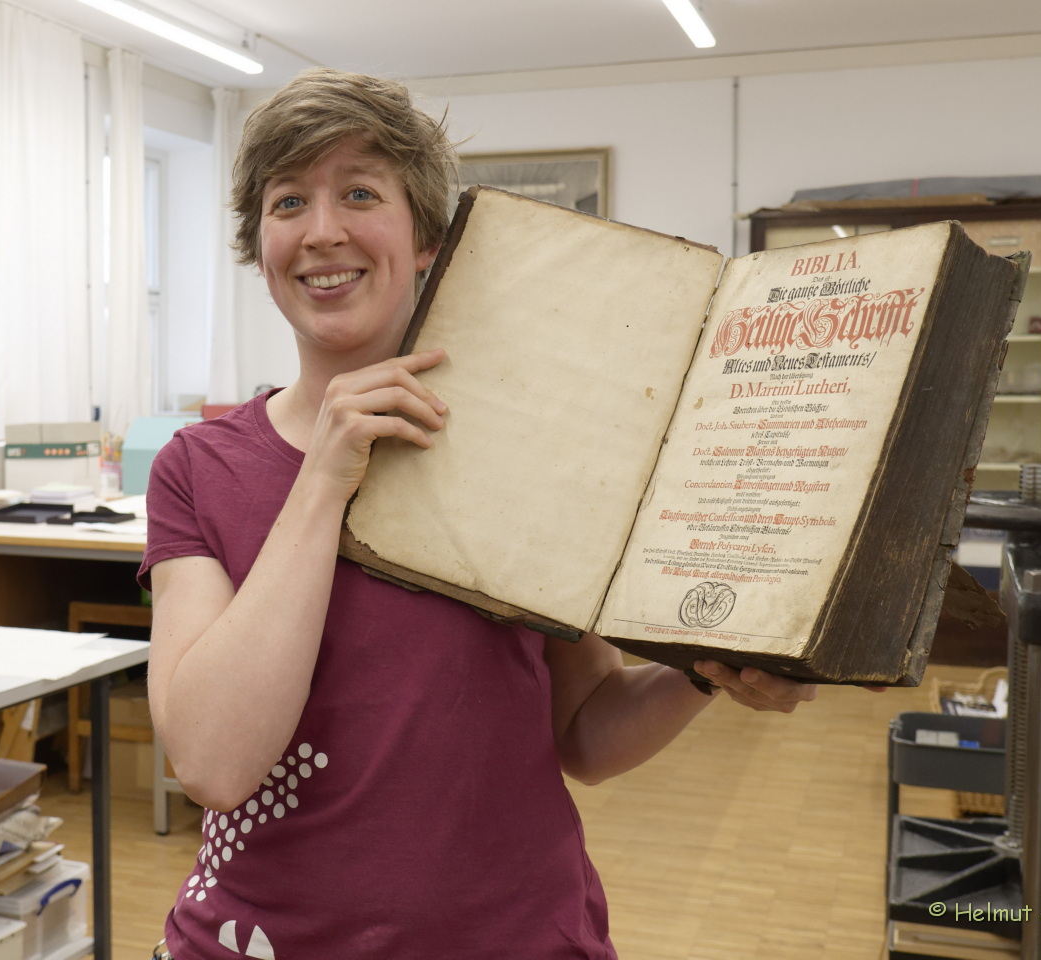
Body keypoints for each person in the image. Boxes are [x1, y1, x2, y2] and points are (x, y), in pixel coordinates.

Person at [140, 67, 818, 960]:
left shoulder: (528, 452)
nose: (322, 230)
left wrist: (705, 673)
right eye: (288, 201)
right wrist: (324, 481)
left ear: (427, 238)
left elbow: (584, 730)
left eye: (359, 193)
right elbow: (212, 763)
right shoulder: (199, 469)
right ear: (258, 246)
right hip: (258, 940)